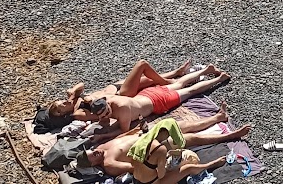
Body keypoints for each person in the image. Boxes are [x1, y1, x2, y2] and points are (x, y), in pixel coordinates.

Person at [36, 63, 225, 134]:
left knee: (184, 90)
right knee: (176, 86)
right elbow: (113, 124)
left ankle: (209, 75)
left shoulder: (119, 111)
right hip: (140, 98)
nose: (64, 104)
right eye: (61, 108)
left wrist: (73, 95)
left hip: (147, 101)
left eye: (60, 104)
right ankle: (201, 71)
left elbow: (123, 130)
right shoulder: (79, 113)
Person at [82, 112, 250, 184]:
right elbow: (137, 167)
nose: (95, 151)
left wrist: (139, 130)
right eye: (92, 155)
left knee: (180, 125)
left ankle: (217, 117)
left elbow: (124, 138)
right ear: (93, 164)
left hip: (145, 139)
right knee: (190, 138)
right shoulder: (110, 164)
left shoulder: (103, 146)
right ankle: (230, 136)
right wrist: (161, 158)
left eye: (91, 151)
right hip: (150, 152)